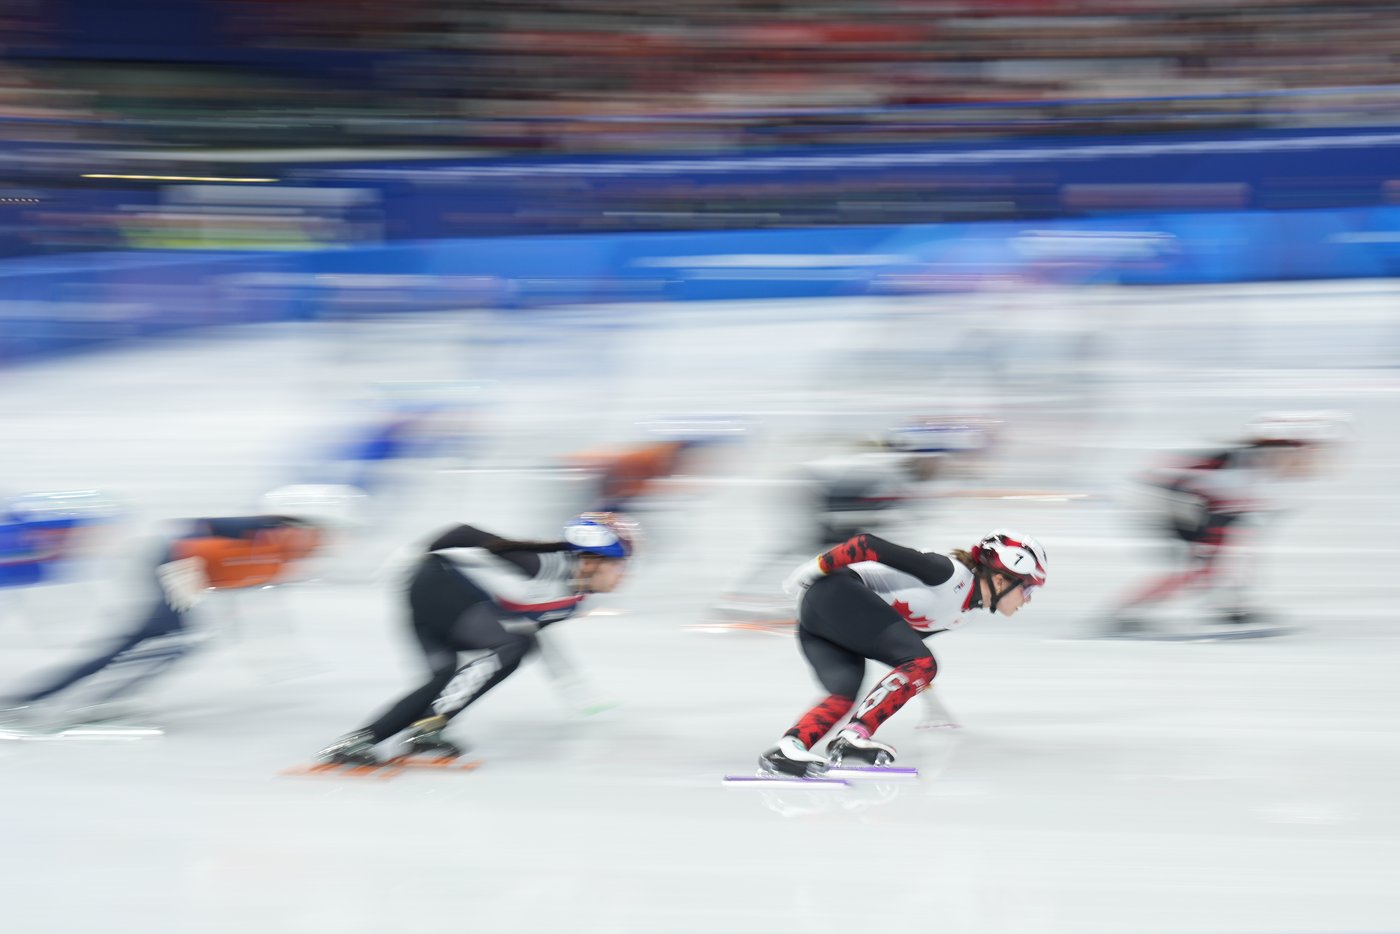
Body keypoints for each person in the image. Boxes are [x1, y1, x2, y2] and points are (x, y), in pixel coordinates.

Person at [315, 511, 636, 766]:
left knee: (443, 677)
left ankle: (364, 739)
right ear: (591, 560)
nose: (623, 575)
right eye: (619, 565)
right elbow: (464, 532)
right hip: (435, 582)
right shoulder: (542, 563)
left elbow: (534, 637)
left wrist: (572, 686)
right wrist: (410, 554)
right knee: (514, 645)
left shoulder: (571, 601)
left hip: (451, 602)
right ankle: (427, 727)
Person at [759, 529, 1048, 777]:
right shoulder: (950, 574)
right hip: (834, 592)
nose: (1028, 600)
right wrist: (814, 568)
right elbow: (867, 544)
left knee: (841, 696)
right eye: (1028, 590)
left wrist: (930, 695)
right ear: (1001, 580)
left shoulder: (965, 614)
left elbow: (904, 654)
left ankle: (788, 748)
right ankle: (851, 737)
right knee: (924, 663)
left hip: (825, 621)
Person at [2, 508, 326, 726]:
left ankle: (68, 696)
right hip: (177, 562)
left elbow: (256, 599)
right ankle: (78, 698)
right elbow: (192, 529)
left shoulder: (282, 560)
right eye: (307, 539)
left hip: (189, 572)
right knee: (165, 636)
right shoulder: (268, 533)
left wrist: (274, 650)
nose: (310, 548)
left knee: (163, 641)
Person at [1106, 411, 1346, 635]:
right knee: (1200, 569)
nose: (1312, 463)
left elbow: (1249, 533)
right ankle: (1126, 614)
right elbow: (1219, 519)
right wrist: (1211, 562)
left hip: (1191, 499)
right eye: (1305, 454)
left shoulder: (1270, 474)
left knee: (1229, 558)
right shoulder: (1243, 473)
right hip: (1165, 499)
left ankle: (1229, 607)